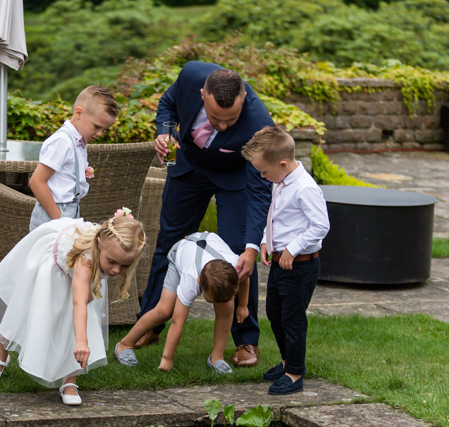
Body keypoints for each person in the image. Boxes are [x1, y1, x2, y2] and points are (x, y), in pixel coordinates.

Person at [140, 64, 275, 369]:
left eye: (231, 119)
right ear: (202, 94)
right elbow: (167, 103)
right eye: (215, 118)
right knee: (169, 244)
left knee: (238, 256)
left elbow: (259, 194)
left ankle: (246, 339)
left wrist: (253, 246)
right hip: (188, 167)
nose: (223, 126)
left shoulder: (260, 126)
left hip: (234, 179)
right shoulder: (191, 76)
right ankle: (150, 323)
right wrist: (164, 133)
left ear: (244, 98)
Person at [0, 211, 146, 405]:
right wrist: (82, 342)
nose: (116, 270)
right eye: (111, 262)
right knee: (26, 308)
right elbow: (79, 303)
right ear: (99, 245)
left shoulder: (109, 253)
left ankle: (70, 379)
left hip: (80, 276)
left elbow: (81, 303)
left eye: (124, 266)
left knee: (76, 320)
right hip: (52, 268)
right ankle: (1, 355)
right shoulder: (86, 260)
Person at [242, 125, 329, 396]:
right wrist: (265, 241)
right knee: (275, 314)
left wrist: (292, 248)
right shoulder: (280, 181)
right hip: (281, 263)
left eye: (264, 171)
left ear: (282, 164)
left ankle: (294, 374)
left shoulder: (304, 188)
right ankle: (285, 361)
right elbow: (276, 216)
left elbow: (320, 225)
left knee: (292, 320)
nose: (262, 176)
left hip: (300, 265)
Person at [114, 231, 249, 373]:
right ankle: (124, 344)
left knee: (227, 309)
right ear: (199, 283)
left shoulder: (235, 266)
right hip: (182, 251)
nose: (221, 303)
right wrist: (167, 359)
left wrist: (242, 305)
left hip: (209, 247)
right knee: (164, 310)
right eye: (216, 301)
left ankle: (217, 357)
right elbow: (177, 322)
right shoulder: (190, 280)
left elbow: (245, 278)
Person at [27, 86, 119, 231]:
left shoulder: (78, 140)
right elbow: (37, 181)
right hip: (53, 214)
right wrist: (58, 218)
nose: (100, 133)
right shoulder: (62, 141)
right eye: (96, 126)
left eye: (104, 129)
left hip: (70, 209)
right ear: (78, 113)